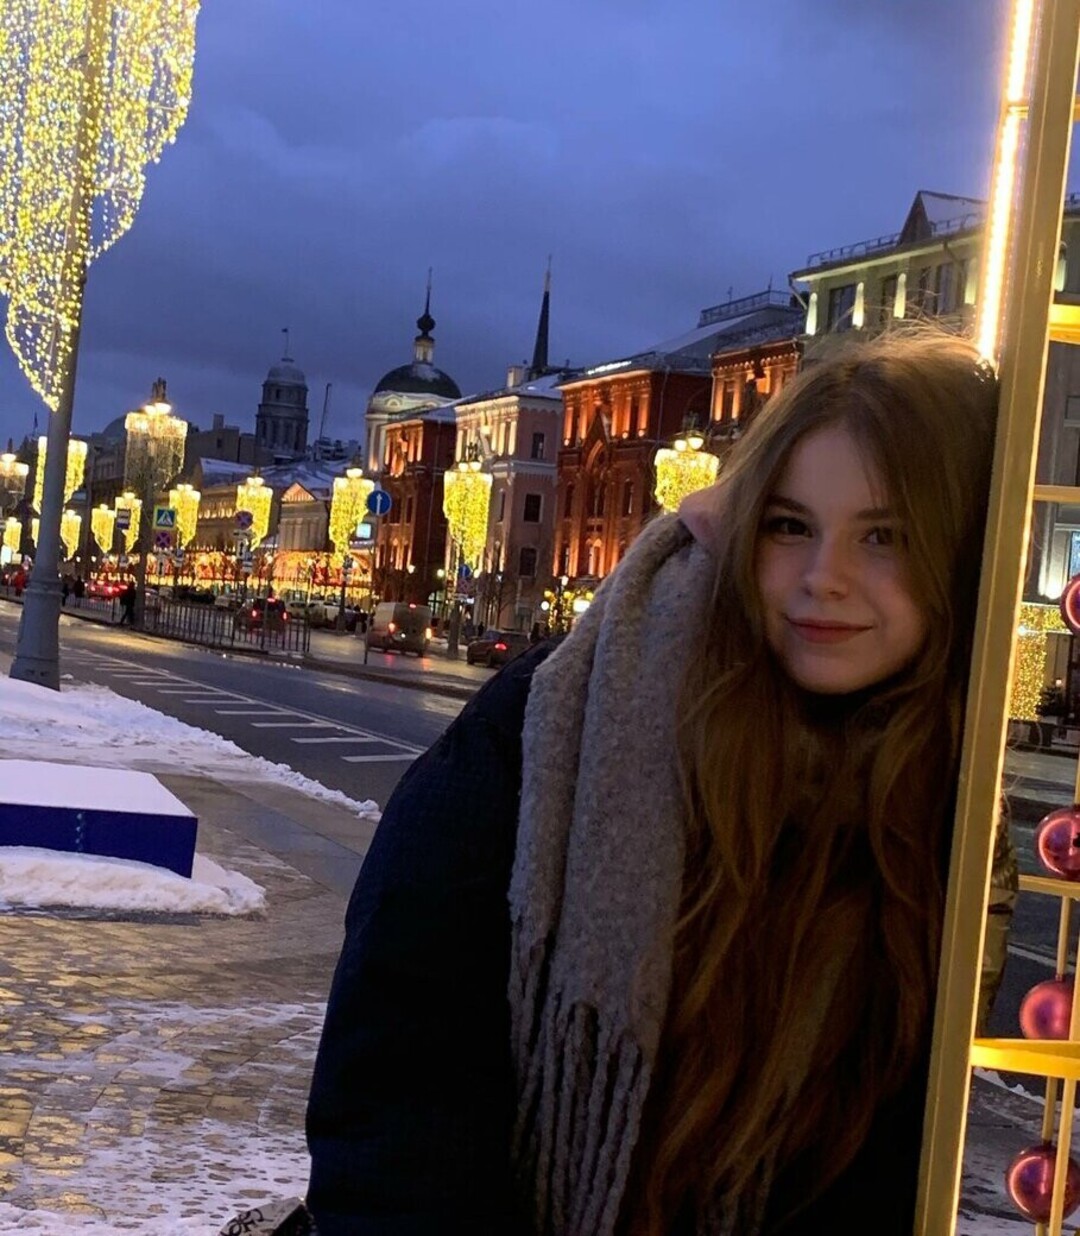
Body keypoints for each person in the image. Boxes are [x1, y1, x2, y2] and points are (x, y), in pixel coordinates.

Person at [305, 332, 1018, 1236]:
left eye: (886, 536)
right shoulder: (558, 723)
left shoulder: (952, 802)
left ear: (961, 558)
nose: (823, 579)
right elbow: (398, 1093)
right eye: (790, 526)